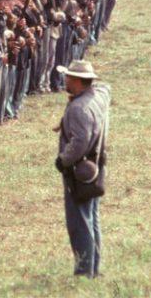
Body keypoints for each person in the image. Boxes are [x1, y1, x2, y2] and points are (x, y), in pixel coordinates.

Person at [54, 60, 108, 278]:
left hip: (80, 171)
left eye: (68, 77)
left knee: (80, 223)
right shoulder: (97, 97)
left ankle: (84, 272)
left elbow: (79, 142)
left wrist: (63, 160)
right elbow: (106, 88)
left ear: (77, 80)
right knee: (91, 219)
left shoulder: (78, 108)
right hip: (96, 166)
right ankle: (94, 269)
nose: (65, 80)